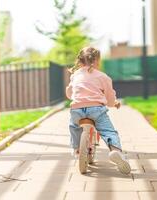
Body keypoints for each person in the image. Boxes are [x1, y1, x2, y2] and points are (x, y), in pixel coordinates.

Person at [66, 46, 131, 174]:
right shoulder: (102, 76)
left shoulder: (75, 75)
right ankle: (115, 151)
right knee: (109, 131)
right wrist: (114, 103)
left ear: (80, 61)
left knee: (73, 126)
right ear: (96, 61)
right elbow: (109, 96)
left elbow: (70, 92)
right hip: (96, 109)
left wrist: (71, 95)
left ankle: (77, 149)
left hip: (77, 109)